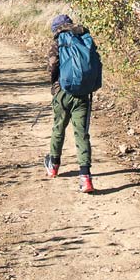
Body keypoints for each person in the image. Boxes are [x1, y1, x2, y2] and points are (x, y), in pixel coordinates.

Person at [44, 14, 97, 193]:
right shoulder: (83, 37)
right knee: (82, 134)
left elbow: (52, 66)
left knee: (58, 128)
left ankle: (53, 166)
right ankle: (86, 178)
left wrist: (55, 85)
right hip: (83, 93)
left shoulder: (58, 42)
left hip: (63, 92)